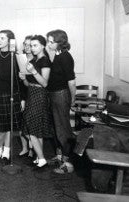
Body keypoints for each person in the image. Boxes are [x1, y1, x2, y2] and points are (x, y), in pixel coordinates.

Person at [0, 30, 23, 165]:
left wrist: (22, 98)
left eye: (2, 38)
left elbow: (19, 81)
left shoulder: (15, 57)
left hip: (12, 95)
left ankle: (6, 151)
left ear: (10, 41)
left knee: (9, 127)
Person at [19, 35, 53, 170]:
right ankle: (40, 157)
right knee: (34, 128)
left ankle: (42, 159)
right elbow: (29, 84)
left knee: (31, 129)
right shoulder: (35, 60)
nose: (32, 48)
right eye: (31, 45)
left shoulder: (45, 61)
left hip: (40, 95)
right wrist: (23, 78)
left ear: (43, 46)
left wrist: (32, 71)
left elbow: (44, 82)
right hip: (31, 94)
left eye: (35, 45)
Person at [46, 29, 76, 174]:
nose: (48, 44)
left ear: (60, 42)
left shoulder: (65, 57)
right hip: (54, 94)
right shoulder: (58, 56)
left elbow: (71, 82)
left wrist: (73, 99)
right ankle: (59, 156)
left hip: (61, 95)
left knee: (63, 129)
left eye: (51, 42)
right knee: (56, 128)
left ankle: (67, 164)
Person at [18, 35, 34, 158]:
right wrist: (22, 99)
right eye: (25, 44)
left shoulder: (37, 60)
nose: (27, 47)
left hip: (34, 95)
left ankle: (32, 149)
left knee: (31, 125)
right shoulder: (20, 59)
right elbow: (19, 82)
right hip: (22, 94)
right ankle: (24, 148)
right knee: (21, 124)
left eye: (30, 44)